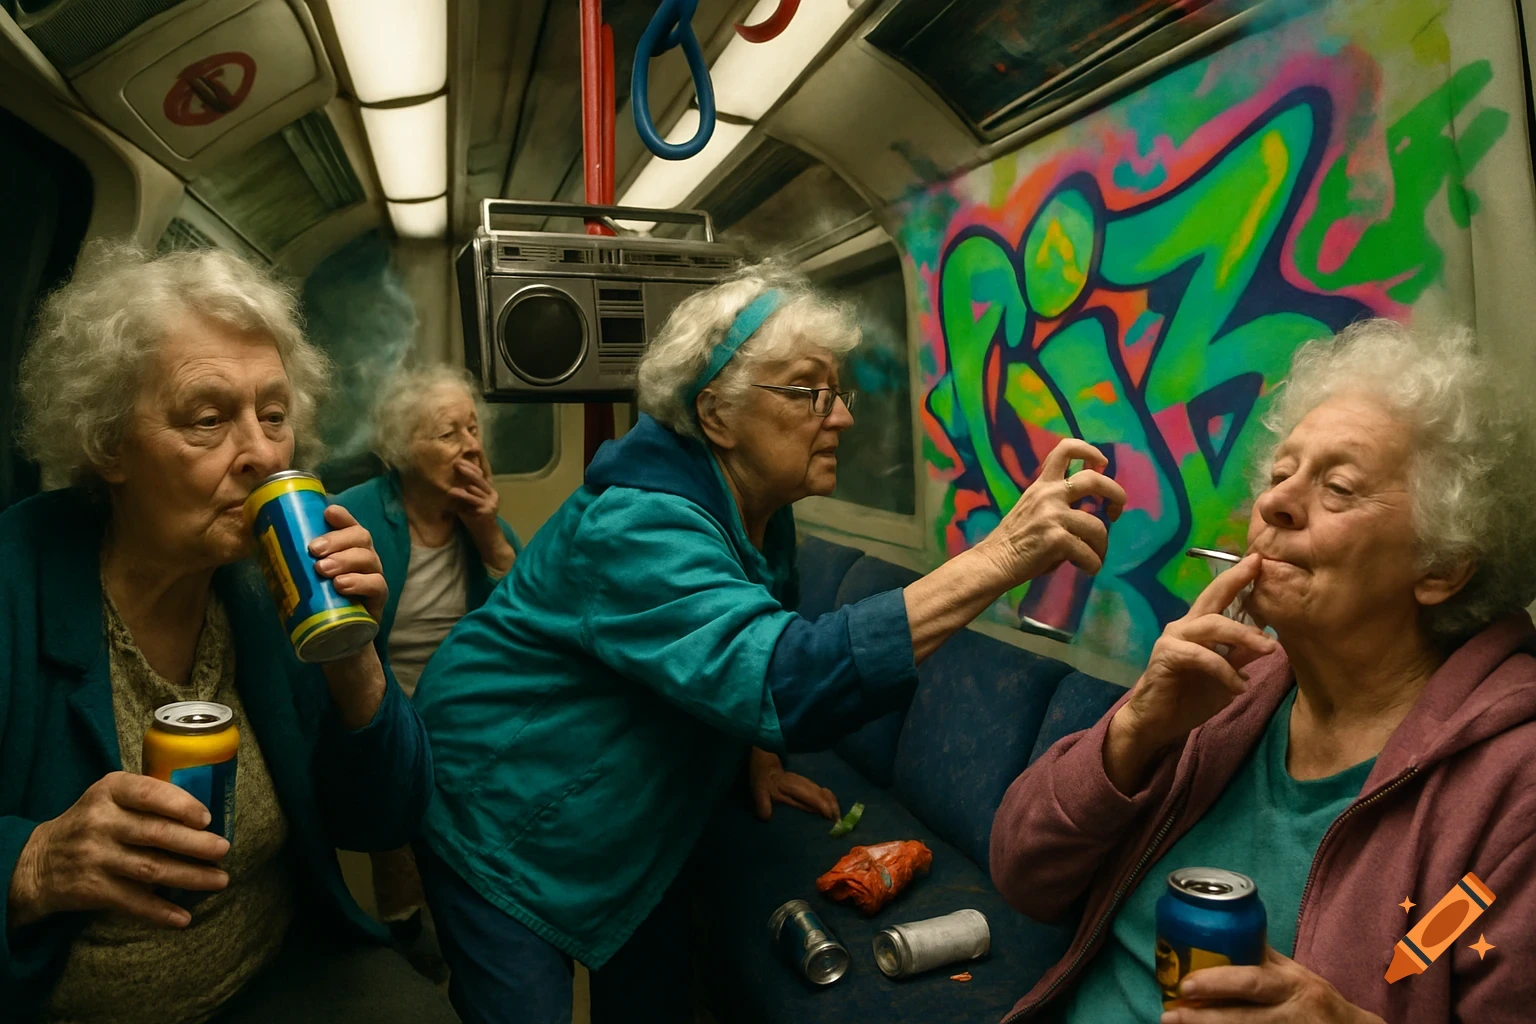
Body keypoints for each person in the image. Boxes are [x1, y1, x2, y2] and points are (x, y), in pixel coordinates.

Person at [408, 262, 1128, 1024]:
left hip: (627, 816)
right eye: (807, 392)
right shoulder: (639, 526)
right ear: (715, 414)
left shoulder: (762, 515)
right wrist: (999, 557)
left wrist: (753, 753)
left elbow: (737, 644)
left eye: (838, 393)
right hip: (496, 800)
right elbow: (783, 678)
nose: (841, 417)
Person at [990, 320, 1536, 1024]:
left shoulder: (1512, 793)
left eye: (1338, 487)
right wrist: (1133, 732)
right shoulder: (1223, 688)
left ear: (1442, 567)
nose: (1274, 503)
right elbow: (1022, 876)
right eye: (1281, 475)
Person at [0, 243, 457, 1024]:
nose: (259, 454)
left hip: (279, 971)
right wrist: (30, 864)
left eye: (273, 416)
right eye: (208, 420)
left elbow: (385, 819)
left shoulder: (272, 584)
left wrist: (356, 665)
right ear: (108, 443)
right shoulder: (17, 577)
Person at [333, 365, 522, 969]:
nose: (470, 444)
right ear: (401, 450)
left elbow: (524, 630)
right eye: (448, 433)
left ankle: (479, 920)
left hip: (468, 712)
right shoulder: (351, 515)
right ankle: (406, 929)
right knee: (397, 792)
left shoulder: (483, 521)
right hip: (390, 707)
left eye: (473, 428)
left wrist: (490, 535)